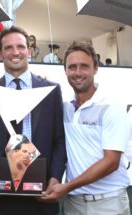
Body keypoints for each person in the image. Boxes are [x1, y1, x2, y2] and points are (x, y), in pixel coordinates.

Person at [0, 26, 66, 215]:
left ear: (29, 51)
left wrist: (55, 178)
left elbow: (59, 140)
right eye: (8, 48)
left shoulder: (51, 90)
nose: (15, 52)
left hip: (41, 192)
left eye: (21, 47)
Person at [41, 42, 131, 215]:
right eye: (72, 67)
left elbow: (111, 162)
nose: (78, 73)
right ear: (65, 71)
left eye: (84, 66)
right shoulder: (65, 106)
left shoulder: (111, 105)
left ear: (96, 68)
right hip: (73, 204)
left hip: (108, 204)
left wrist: (66, 187)